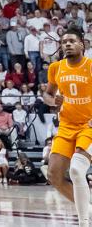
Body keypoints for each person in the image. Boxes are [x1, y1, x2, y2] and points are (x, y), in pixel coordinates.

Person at [44, 25, 92, 227]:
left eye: (72, 41)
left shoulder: (90, 65)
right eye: (64, 42)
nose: (67, 45)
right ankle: (88, 209)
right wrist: (52, 101)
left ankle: (84, 221)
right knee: (54, 175)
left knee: (77, 170)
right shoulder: (56, 68)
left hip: (88, 126)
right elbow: (47, 94)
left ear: (82, 44)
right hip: (66, 126)